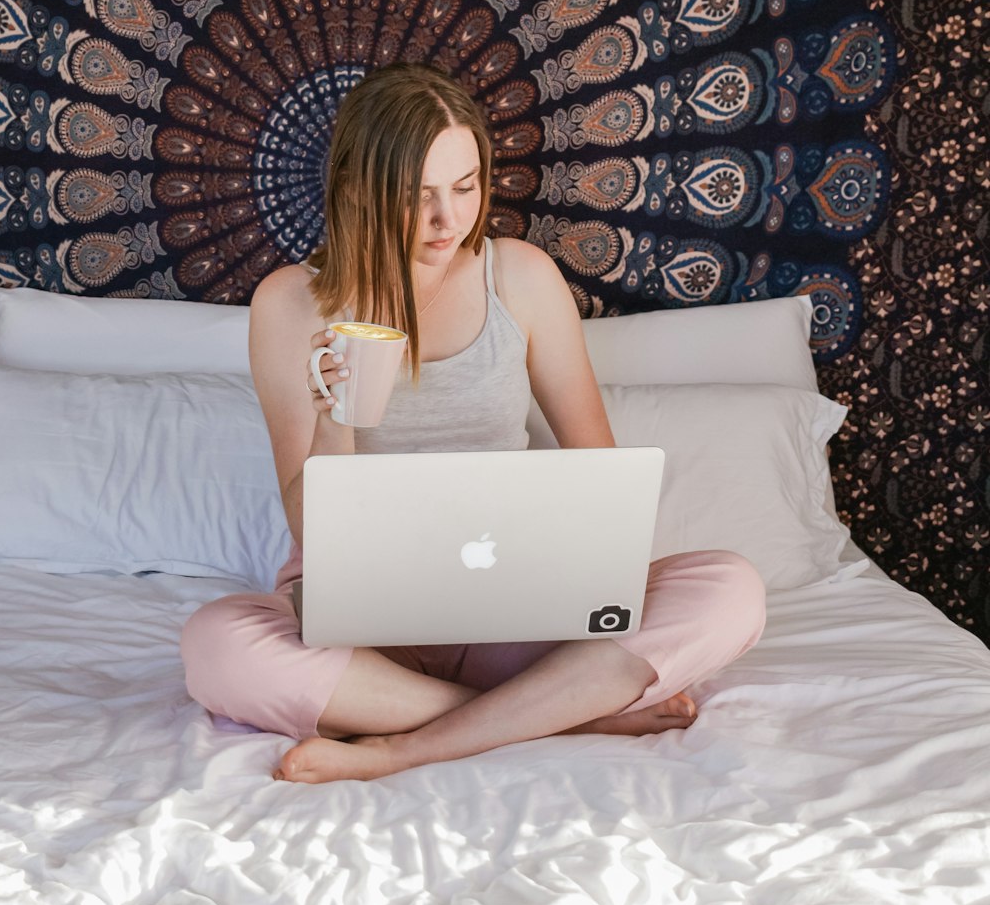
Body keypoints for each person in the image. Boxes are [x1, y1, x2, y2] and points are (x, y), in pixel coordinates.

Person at [181, 63, 766, 784]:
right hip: (363, 620)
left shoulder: (517, 277)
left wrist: (559, 565)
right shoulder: (290, 303)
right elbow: (312, 534)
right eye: (417, 195)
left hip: (512, 604)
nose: (447, 220)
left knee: (731, 587)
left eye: (465, 188)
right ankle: (559, 709)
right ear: (356, 187)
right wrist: (336, 418)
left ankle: (404, 743)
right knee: (215, 646)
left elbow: (603, 479)